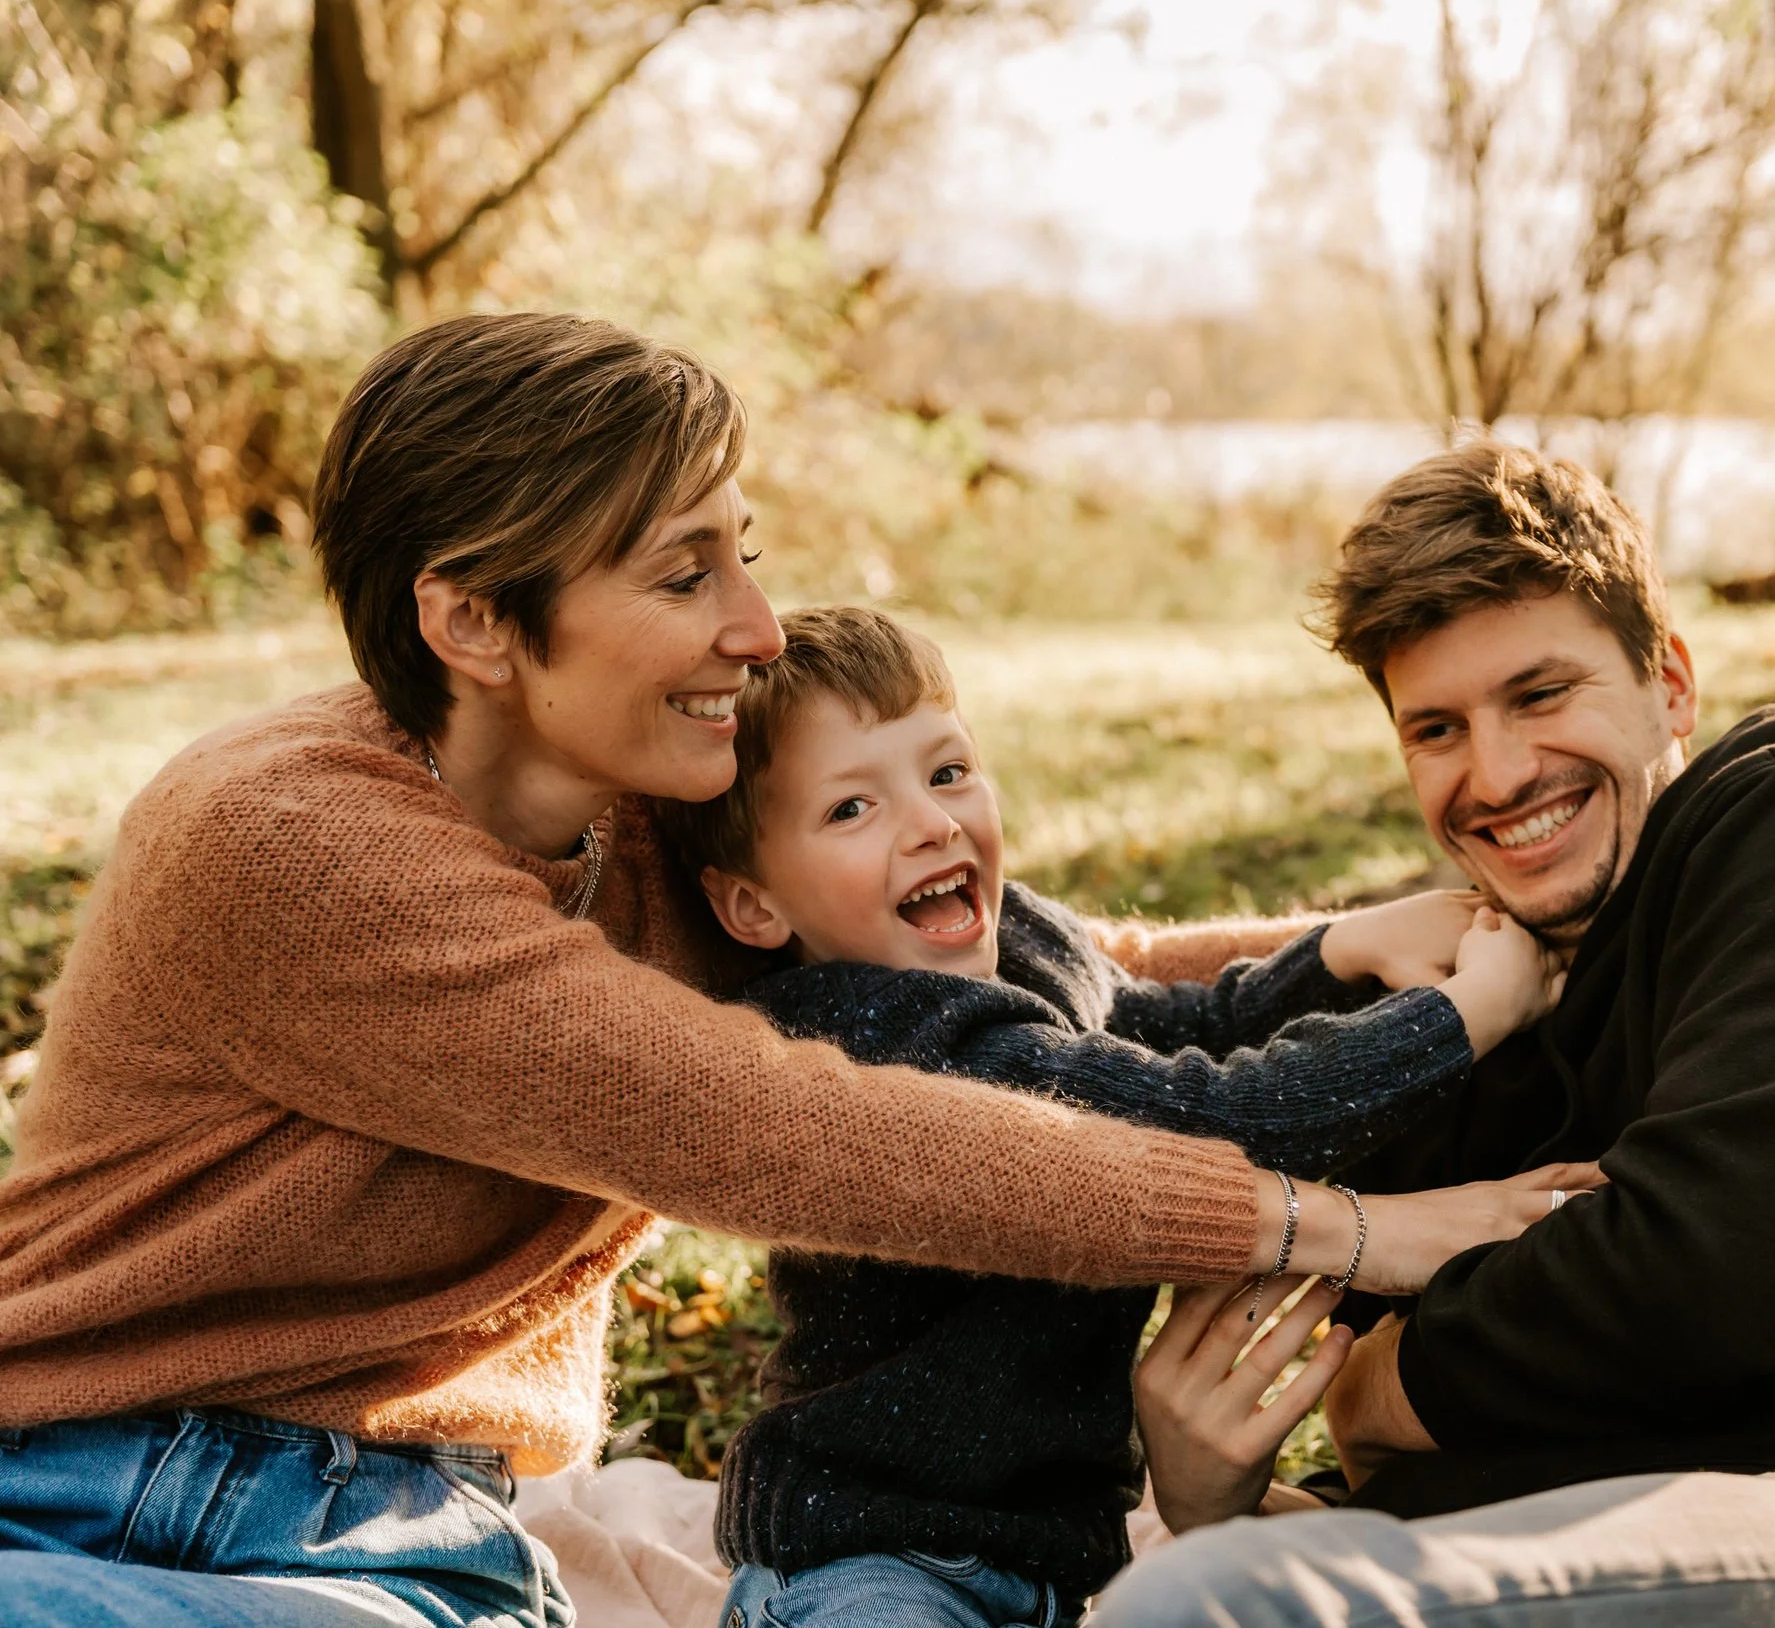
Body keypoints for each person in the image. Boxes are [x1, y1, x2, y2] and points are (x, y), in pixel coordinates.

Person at [0, 317, 1568, 1628]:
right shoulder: (291, 841)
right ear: (473, 618)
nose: (757, 630)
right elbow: (775, 1124)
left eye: (742, 558)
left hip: (405, 1539)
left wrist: (1324, 947)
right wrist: (1329, 1220)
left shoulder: (658, 810)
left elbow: (984, 978)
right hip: (103, 1474)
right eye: (684, 577)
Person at [1101, 441, 1775, 1628]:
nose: (1496, 774)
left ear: (1670, 684)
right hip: (1557, 1547)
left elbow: (1698, 1277)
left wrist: (1391, 1380)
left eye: (1541, 695)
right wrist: (1217, 1499)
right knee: (1132, 1573)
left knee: (1201, 1607)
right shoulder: (1473, 988)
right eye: (1435, 728)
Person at [646, 604, 1578, 1628]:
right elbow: (1214, 1116)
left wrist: (1335, 954)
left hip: (1044, 1562)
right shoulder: (877, 1032)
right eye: (851, 809)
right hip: (869, 1559)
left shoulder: (1015, 941)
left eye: (947, 770)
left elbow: (1168, 1027)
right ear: (754, 907)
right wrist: (1463, 1014)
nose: (930, 822)